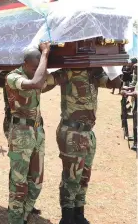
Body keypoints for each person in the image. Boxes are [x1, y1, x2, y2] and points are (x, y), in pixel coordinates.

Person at [44, 67, 121, 224]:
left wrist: (110, 63)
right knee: (71, 177)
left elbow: (116, 83)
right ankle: (67, 217)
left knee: (84, 177)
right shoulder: (70, 70)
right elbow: (45, 81)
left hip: (88, 133)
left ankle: (79, 214)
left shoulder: (95, 72)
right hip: (72, 132)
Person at [5, 43, 50, 224]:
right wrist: (46, 53)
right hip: (21, 133)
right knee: (19, 181)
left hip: (37, 130)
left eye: (38, 67)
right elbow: (37, 83)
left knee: (37, 180)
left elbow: (49, 81)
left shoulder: (36, 73)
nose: (36, 70)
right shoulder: (13, 77)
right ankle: (15, 220)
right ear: (24, 63)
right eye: (33, 67)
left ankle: (25, 214)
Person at [122, 63, 137, 151]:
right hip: (135, 102)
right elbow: (135, 88)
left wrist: (128, 93)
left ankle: (136, 143)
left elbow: (136, 93)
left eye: (136, 68)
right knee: (135, 123)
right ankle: (135, 141)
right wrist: (128, 88)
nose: (134, 69)